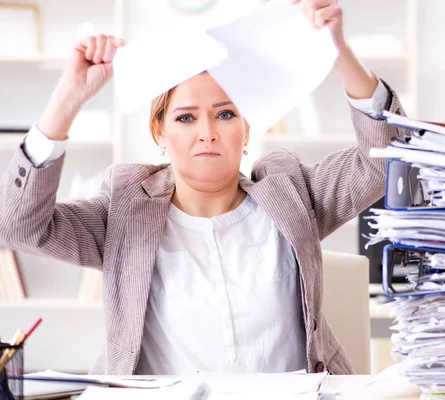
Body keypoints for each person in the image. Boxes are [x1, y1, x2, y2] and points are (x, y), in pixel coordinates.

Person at [0, 0, 406, 375]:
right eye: (186, 118)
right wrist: (68, 99)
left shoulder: (293, 193)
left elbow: (389, 156)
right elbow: (18, 226)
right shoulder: (124, 211)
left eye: (225, 114)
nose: (207, 133)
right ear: (159, 131)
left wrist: (339, 51)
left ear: (246, 128)